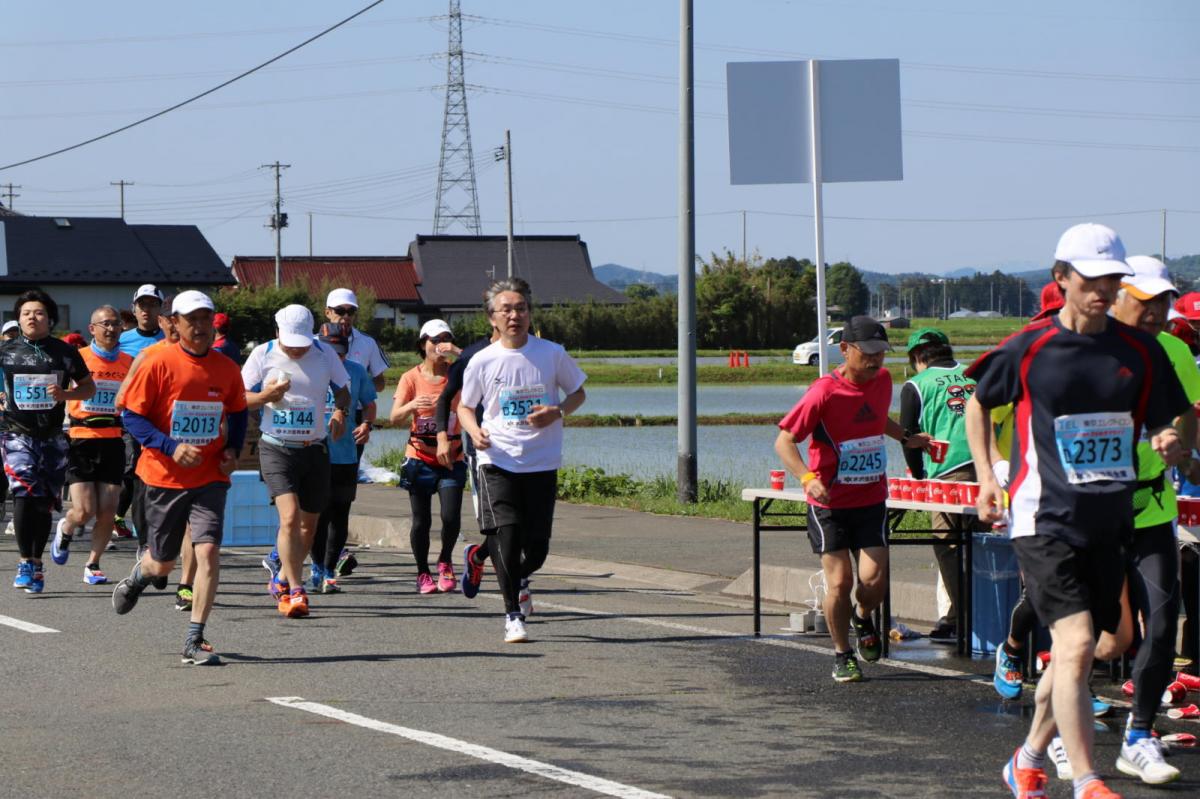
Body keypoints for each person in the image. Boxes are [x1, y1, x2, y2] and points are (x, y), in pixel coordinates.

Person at [965, 223, 1188, 799]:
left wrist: (1170, 438)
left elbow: (1171, 419)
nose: (1102, 290)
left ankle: (1027, 758)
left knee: (1082, 653)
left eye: (1112, 279)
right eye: (1091, 279)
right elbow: (978, 402)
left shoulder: (1140, 351)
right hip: (1042, 519)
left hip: (1109, 522)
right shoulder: (1031, 347)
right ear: (1061, 277)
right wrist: (987, 477)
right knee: (1078, 644)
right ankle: (1088, 779)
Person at [774, 315, 931, 683]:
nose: (875, 360)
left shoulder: (884, 381)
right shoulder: (823, 392)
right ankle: (842, 653)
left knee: (874, 583)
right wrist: (807, 477)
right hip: (829, 503)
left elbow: (875, 418)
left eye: (881, 353)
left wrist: (906, 437)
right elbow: (784, 441)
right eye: (868, 352)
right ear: (845, 349)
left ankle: (862, 618)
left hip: (870, 498)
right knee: (841, 583)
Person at [1098, 255, 1198, 784]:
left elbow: (1189, 411)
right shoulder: (1084, 348)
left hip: (1152, 507)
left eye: (1163, 300)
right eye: (1145, 300)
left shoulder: (1174, 351)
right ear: (1117, 296)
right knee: (1100, 638)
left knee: (1160, 625)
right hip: (1092, 512)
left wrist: (1183, 448)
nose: (1157, 310)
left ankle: (1139, 735)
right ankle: (1052, 722)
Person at [112, 290, 247, 666]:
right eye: (192, 319)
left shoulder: (226, 368)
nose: (200, 326)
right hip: (163, 477)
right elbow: (132, 417)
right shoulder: (156, 360)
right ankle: (139, 577)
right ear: (175, 323)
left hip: (210, 476)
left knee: (208, 551)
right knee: (162, 564)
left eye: (206, 318)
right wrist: (170, 447)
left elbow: (237, 411)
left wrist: (232, 449)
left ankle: (194, 637)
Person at [457, 278, 587, 643]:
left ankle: (481, 558)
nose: (514, 316)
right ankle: (512, 615)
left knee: (538, 548)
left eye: (521, 309)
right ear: (492, 318)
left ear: (530, 313)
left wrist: (557, 411)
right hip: (496, 458)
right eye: (506, 310)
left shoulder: (551, 353)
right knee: (508, 536)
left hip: (542, 460)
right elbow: (465, 407)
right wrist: (474, 431)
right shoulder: (482, 360)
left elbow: (578, 392)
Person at [242, 304, 350, 618]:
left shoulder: (325, 354)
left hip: (314, 448)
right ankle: (295, 589)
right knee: (289, 518)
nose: (296, 350)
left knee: (308, 527)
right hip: (276, 448)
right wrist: (265, 397)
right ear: (277, 333)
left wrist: (340, 411)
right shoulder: (263, 354)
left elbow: (343, 390)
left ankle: (280, 577)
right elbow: (239, 397)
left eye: (301, 344)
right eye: (290, 344)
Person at [1, 290, 95, 593]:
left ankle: (37, 562)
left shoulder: (64, 352)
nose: (32, 317)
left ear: (50, 319)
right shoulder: (6, 352)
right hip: (16, 433)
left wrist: (66, 394)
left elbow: (89, 388)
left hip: (52, 436)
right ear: (18, 318)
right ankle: (24, 562)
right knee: (23, 491)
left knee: (42, 502)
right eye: (26, 312)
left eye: (39, 312)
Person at [899, 326, 976, 642]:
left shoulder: (917, 385)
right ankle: (974, 615)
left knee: (948, 545)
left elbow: (908, 436)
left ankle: (963, 618)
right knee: (981, 546)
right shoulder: (975, 374)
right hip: (989, 469)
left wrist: (918, 476)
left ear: (918, 356)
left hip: (948, 472)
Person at [50, 305, 133, 585]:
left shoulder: (129, 362)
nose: (111, 328)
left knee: (108, 510)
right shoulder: (79, 358)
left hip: (113, 439)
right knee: (84, 510)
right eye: (105, 323)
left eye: (116, 323)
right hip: (81, 438)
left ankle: (93, 564)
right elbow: (57, 391)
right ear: (92, 329)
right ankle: (67, 526)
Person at [391, 319, 466, 594]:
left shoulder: (458, 374)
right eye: (435, 340)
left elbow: (483, 366)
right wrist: (412, 405)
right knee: (421, 521)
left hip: (452, 457)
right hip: (420, 458)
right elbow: (394, 416)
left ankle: (445, 561)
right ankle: (422, 572)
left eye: (446, 339)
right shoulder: (410, 378)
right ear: (423, 344)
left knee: (451, 516)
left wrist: (457, 353)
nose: (440, 345)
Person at [309, 321, 375, 593]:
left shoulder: (356, 371)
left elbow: (369, 404)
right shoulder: (309, 369)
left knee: (340, 514)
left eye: (341, 352)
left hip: (346, 454)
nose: (336, 357)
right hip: (314, 452)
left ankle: (329, 570)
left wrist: (367, 425)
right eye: (330, 351)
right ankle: (316, 567)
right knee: (319, 515)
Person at [114, 284, 166, 541]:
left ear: (161, 309)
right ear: (134, 309)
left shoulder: (170, 339)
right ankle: (134, 525)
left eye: (153, 304)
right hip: (129, 417)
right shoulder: (121, 340)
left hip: (162, 419)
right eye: (142, 305)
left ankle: (145, 529)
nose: (147, 310)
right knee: (133, 470)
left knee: (152, 474)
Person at [324, 288, 388, 393]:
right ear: (327, 312)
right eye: (340, 311)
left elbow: (380, 384)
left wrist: (359, 386)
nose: (346, 316)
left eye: (351, 311)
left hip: (356, 404)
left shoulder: (369, 343)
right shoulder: (313, 343)